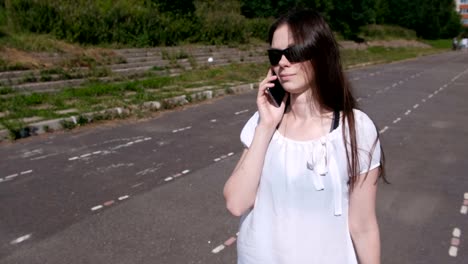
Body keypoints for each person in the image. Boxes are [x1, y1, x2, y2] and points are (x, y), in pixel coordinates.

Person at [223, 9, 387, 264]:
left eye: (294, 52)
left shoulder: (356, 129)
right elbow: (236, 202)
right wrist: (266, 125)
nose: (283, 63)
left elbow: (363, 227)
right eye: (275, 55)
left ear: (320, 55)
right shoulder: (262, 124)